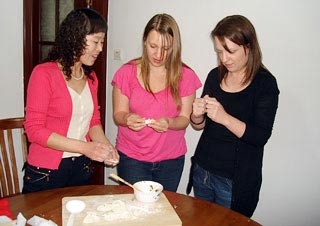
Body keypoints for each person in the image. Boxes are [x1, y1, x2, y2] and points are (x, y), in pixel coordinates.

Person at [188, 15, 279, 217]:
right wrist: (196, 115)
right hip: (203, 170)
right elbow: (199, 125)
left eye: (230, 52)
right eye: (219, 52)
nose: (224, 59)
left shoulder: (265, 84)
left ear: (249, 46)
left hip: (234, 181)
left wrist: (225, 117)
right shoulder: (215, 75)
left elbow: (260, 136)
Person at [23, 8, 119, 194]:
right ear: (76, 37)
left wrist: (105, 147)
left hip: (80, 168)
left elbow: (93, 122)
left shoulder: (91, 78)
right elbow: (34, 130)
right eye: (95, 41)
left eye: (102, 42)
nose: (100, 48)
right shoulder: (44, 74)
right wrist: (86, 147)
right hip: (46, 173)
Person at [112, 13, 201, 192]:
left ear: (175, 47)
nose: (159, 54)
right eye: (153, 46)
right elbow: (118, 115)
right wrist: (127, 118)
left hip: (170, 160)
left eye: (166, 48)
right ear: (145, 41)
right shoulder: (126, 72)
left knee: (163, 211)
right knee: (135, 214)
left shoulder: (186, 76)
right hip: (132, 158)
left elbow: (185, 118)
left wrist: (169, 122)